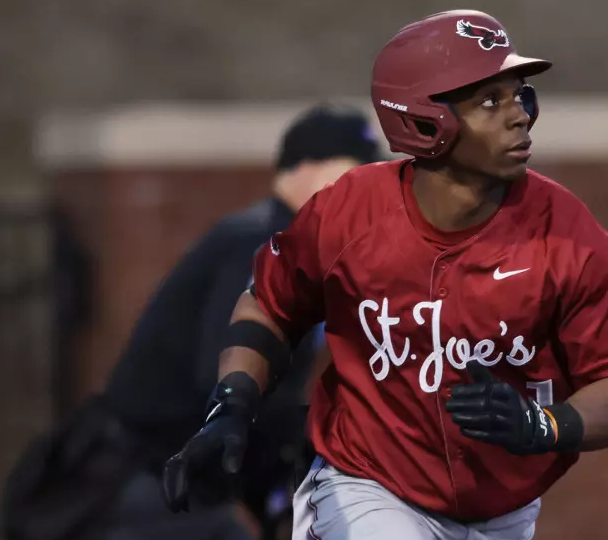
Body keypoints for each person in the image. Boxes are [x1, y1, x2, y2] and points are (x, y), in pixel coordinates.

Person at [161, 9, 608, 540]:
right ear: (425, 120)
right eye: (491, 100)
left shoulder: (568, 233)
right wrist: (233, 402)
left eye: (520, 95)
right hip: (369, 486)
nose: (519, 114)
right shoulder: (349, 211)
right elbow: (268, 304)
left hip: (505, 511)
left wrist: (544, 424)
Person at [2, 103, 382, 540]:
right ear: (307, 172)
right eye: (355, 175)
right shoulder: (259, 245)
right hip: (143, 479)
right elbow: (223, 379)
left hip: (169, 477)